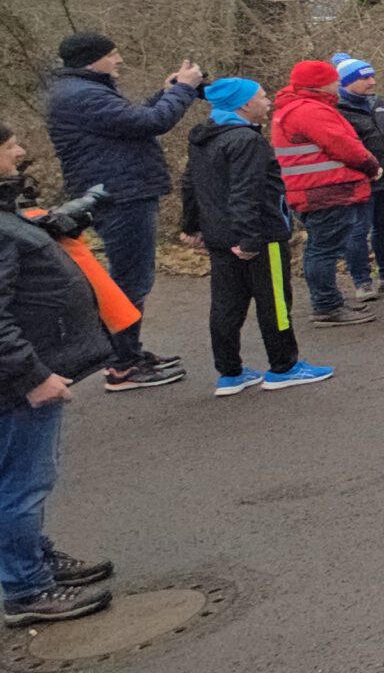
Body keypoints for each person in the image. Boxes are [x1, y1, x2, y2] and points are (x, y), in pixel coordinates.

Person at [0, 124, 123, 625]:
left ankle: (33, 558)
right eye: (7, 145)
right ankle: (26, 588)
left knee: (22, 480)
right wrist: (33, 375)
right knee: (22, 484)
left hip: (22, 374)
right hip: (17, 383)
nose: (19, 150)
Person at [41, 31, 203, 388]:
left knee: (130, 277)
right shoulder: (83, 95)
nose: (119, 60)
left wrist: (166, 93)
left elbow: (131, 122)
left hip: (119, 190)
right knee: (132, 280)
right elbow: (151, 123)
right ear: (92, 60)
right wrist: (184, 90)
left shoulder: (82, 90)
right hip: (120, 194)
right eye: (112, 54)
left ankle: (126, 353)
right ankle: (122, 364)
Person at [179, 79, 333, 395]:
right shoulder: (247, 140)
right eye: (262, 97)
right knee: (275, 302)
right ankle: (284, 367)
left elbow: (190, 185)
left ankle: (230, 373)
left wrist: (191, 226)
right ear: (244, 104)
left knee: (226, 304)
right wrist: (249, 239)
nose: (268, 102)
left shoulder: (202, 138)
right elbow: (246, 191)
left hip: (220, 236)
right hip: (260, 236)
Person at [271, 58, 382, 328]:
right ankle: (327, 306)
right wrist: (371, 165)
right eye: (333, 81)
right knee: (323, 250)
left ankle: (329, 301)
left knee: (321, 248)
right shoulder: (310, 110)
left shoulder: (295, 107)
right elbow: (343, 145)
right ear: (320, 85)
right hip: (324, 192)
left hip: (314, 191)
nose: (337, 85)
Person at [332, 57, 384, 297]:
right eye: (365, 78)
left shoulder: (378, 103)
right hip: (360, 184)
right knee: (358, 232)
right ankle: (362, 282)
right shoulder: (337, 111)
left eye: (372, 76)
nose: (372, 82)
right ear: (347, 82)